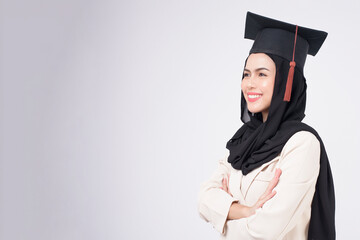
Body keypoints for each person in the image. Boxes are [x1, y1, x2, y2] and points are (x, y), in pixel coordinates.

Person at [197, 12, 335, 240]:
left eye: (262, 74)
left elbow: (266, 232)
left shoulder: (302, 143)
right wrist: (248, 212)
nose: (250, 83)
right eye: (246, 74)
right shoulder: (243, 139)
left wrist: (223, 216)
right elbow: (203, 198)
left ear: (285, 81)